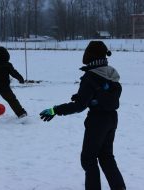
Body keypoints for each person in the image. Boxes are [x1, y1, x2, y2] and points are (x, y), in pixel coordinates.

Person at [40, 41, 126, 190]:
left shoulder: (90, 76)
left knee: (88, 158)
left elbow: (79, 106)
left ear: (89, 55)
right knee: (106, 156)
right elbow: (106, 95)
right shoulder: (111, 73)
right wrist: (84, 96)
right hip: (112, 119)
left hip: (97, 121)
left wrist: (55, 110)